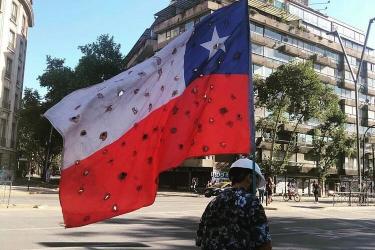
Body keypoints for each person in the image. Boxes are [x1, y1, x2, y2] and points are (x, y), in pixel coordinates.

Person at [196, 158, 272, 250]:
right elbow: (264, 244)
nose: (256, 187)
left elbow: (200, 239)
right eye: (257, 180)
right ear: (249, 178)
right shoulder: (251, 202)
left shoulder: (214, 202)